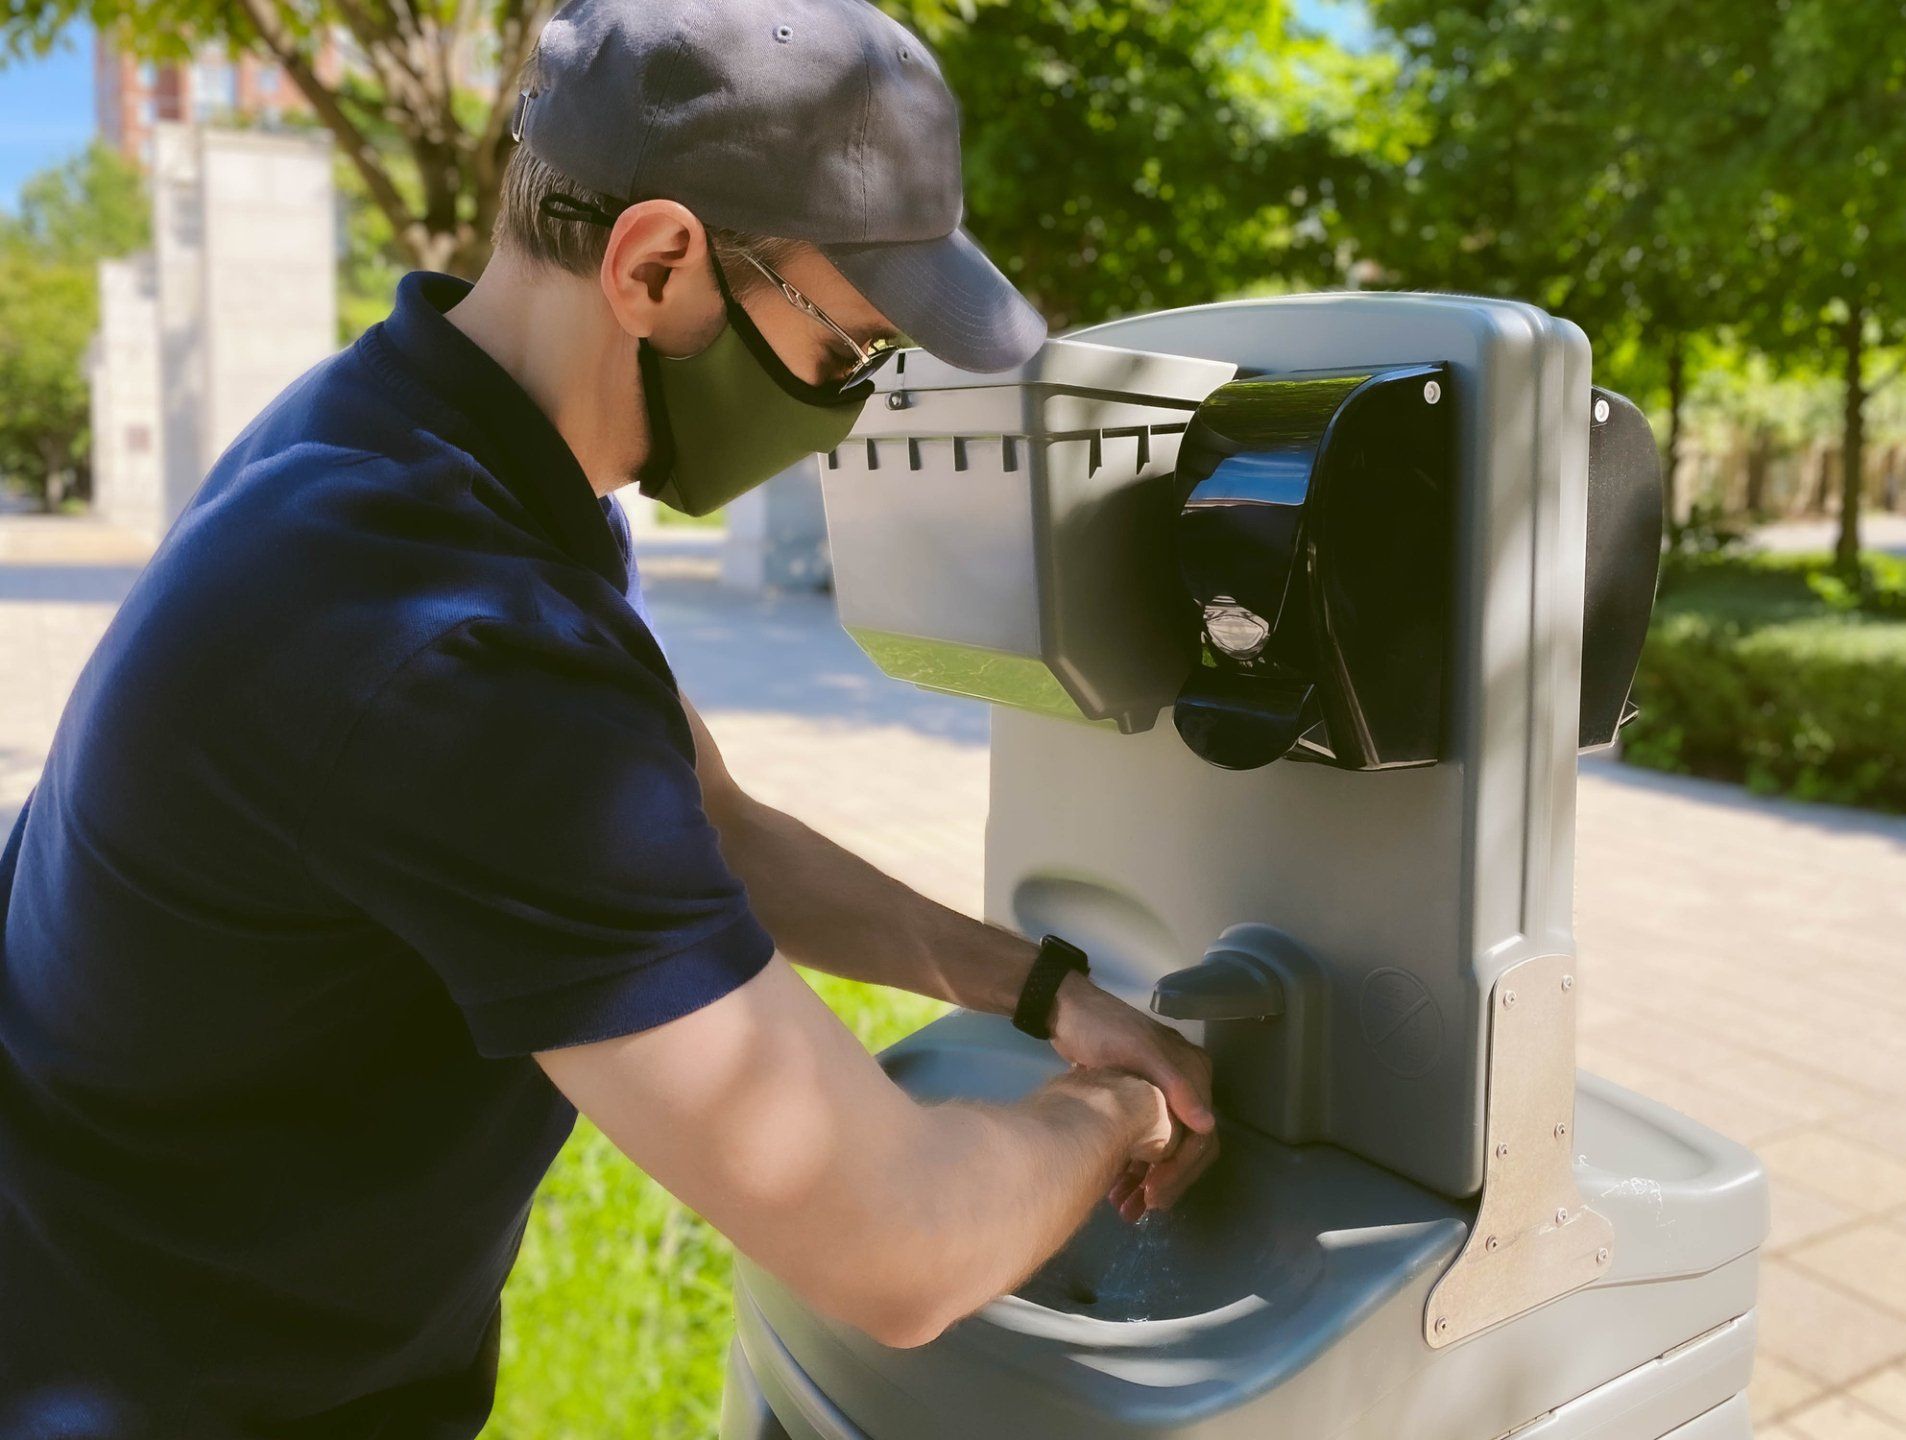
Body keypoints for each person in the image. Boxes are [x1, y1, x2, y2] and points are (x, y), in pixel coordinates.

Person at [0, 1, 1219, 1435]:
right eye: (848, 349)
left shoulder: (405, 444)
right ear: (656, 264)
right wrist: (1127, 1112)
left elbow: (707, 828)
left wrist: (1046, 992)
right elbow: (899, 1251)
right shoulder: (464, 648)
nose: (855, 400)